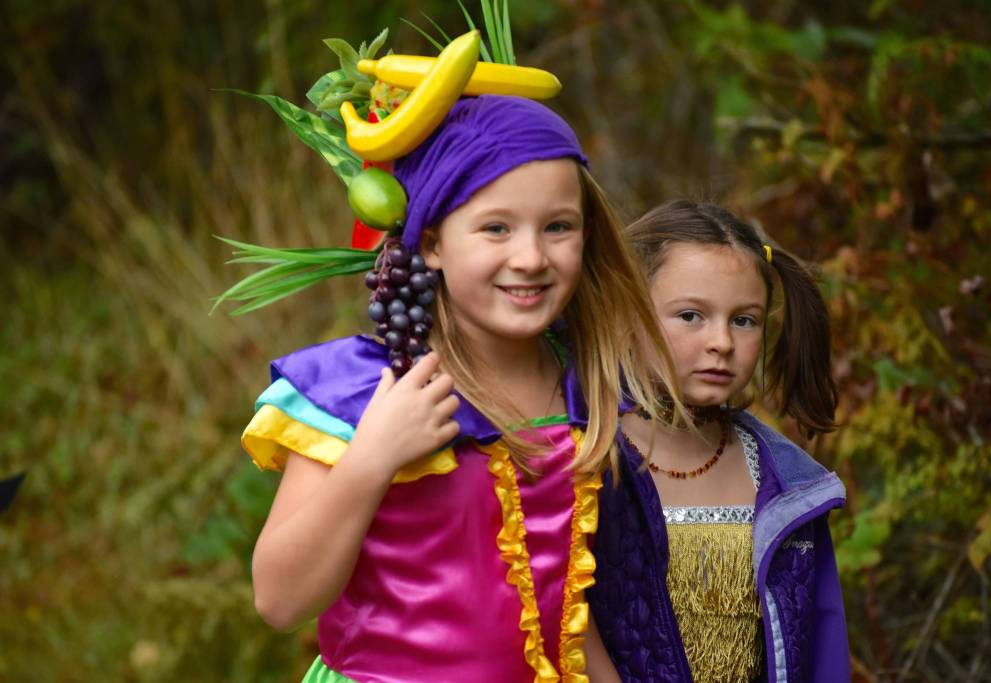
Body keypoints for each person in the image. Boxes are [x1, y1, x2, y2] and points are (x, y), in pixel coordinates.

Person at [228, 27, 679, 683]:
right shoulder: (366, 394)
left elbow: (569, 624)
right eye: (496, 227)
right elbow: (280, 598)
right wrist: (372, 459)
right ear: (432, 241)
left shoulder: (589, 393)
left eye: (558, 226)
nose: (530, 256)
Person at [588, 199, 850, 683]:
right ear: (628, 312)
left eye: (744, 320)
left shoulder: (792, 490)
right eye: (691, 315)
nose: (722, 343)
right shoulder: (588, 462)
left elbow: (824, 654)